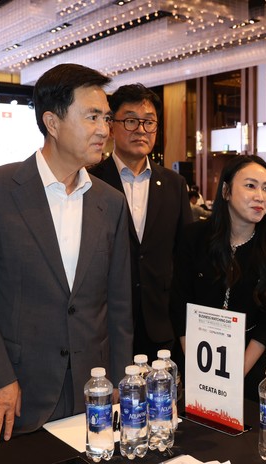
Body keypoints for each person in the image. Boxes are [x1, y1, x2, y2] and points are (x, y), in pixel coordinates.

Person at [0, 63, 134, 445]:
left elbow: (119, 305)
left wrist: (120, 381)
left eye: (106, 118)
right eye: (92, 117)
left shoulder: (111, 203)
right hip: (16, 395)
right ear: (52, 122)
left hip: (92, 394)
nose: (105, 130)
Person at [170, 155, 266, 401]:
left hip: (249, 362)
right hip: (195, 356)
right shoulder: (194, 238)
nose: (260, 196)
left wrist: (234, 376)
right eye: (250, 186)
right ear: (226, 191)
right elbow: (179, 304)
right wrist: (197, 367)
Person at [89, 83, 192, 358]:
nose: (141, 130)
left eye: (149, 122)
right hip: (105, 324)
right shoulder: (90, 181)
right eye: (131, 120)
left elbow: (184, 256)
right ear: (111, 127)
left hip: (161, 324)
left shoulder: (174, 184)